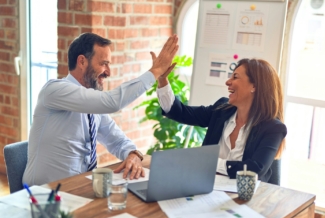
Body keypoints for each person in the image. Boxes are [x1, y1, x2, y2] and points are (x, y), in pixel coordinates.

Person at [23, 32, 178, 186]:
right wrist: (156, 71)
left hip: (79, 189)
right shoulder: (55, 90)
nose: (108, 72)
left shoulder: (92, 105)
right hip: (44, 195)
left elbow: (116, 140)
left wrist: (133, 154)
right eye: (104, 64)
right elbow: (112, 102)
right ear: (82, 62)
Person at [156, 58, 287, 182]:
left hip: (247, 198)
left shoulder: (273, 128)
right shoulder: (221, 110)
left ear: (254, 86)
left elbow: (254, 170)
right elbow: (179, 112)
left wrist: (209, 162)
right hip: (207, 189)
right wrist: (162, 80)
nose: (228, 82)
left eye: (235, 77)